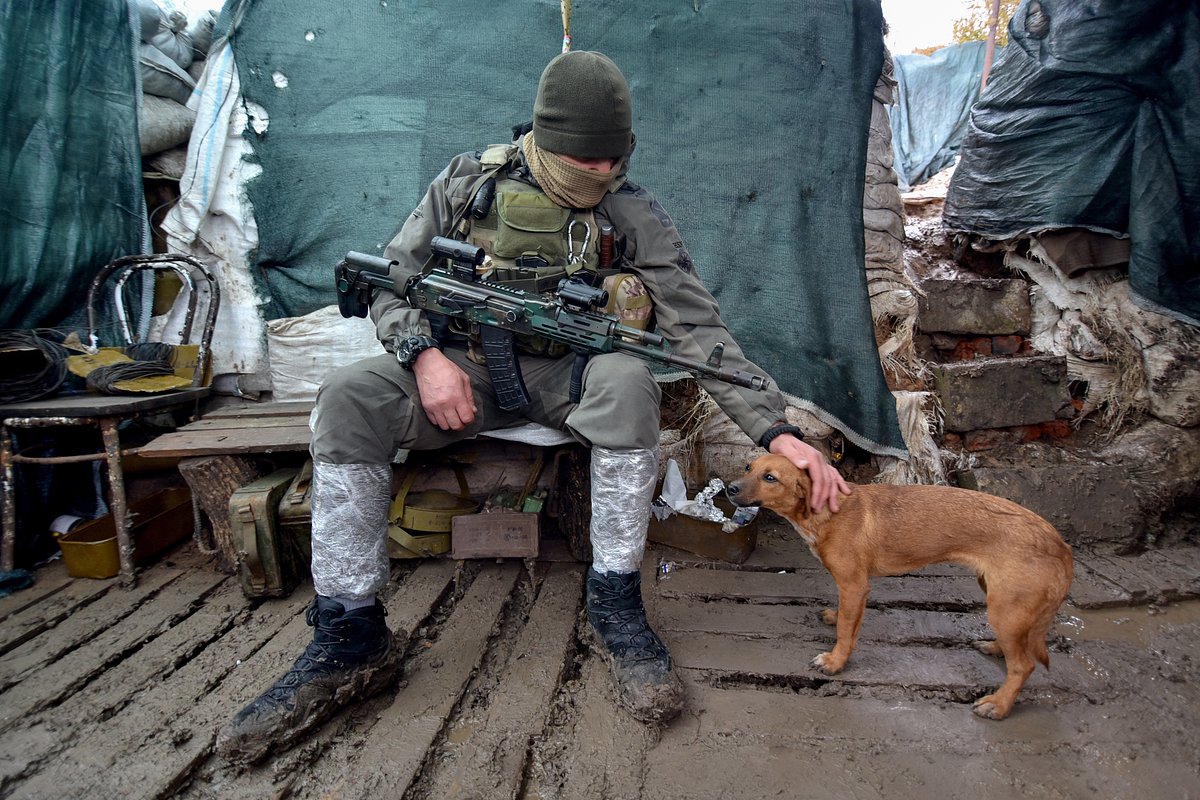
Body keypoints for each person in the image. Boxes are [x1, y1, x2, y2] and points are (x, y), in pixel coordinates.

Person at [217, 50, 850, 762]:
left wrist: (779, 430)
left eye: (616, 159)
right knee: (348, 399)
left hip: (570, 377)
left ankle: (614, 603)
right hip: (462, 370)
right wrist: (423, 356)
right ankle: (349, 633)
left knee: (631, 381)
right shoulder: (467, 182)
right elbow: (391, 279)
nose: (603, 174)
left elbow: (699, 334)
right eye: (587, 161)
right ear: (546, 142)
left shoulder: (631, 210)